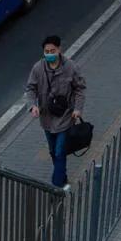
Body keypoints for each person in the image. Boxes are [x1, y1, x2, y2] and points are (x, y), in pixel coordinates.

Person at [24, 35, 86, 189]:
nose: (50, 54)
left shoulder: (71, 67)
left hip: (65, 117)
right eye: (47, 51)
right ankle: (62, 177)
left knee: (59, 152)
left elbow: (80, 89)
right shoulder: (38, 68)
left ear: (59, 49)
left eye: (53, 51)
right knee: (53, 151)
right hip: (46, 118)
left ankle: (56, 187)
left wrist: (78, 109)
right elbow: (30, 89)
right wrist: (32, 106)